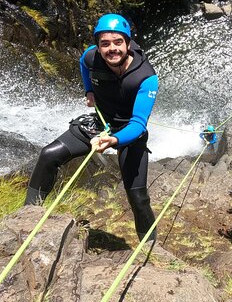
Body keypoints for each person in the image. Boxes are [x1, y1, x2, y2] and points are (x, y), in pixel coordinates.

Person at [25, 13, 160, 243]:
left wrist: (114, 140)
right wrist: (89, 90)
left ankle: (150, 247)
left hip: (128, 131)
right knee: (49, 155)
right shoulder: (91, 57)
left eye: (118, 42)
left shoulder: (146, 78)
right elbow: (83, 63)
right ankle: (26, 218)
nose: (112, 49)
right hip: (100, 122)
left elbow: (138, 124)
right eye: (105, 44)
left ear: (128, 43)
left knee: (137, 196)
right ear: (98, 46)